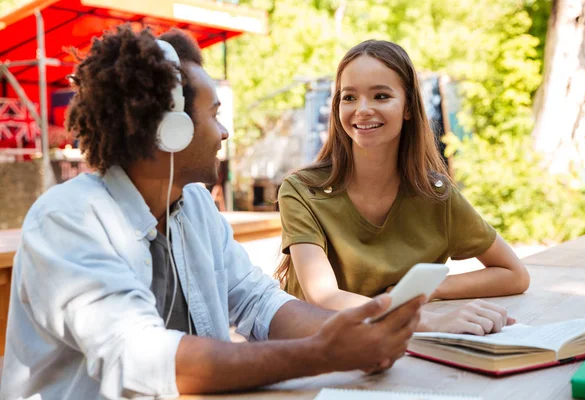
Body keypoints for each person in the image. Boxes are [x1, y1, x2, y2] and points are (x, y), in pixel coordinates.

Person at [0, 27, 424, 400]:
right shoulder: (68, 221)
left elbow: (258, 302)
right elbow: (142, 358)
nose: (225, 132)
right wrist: (322, 354)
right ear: (171, 129)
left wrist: (357, 331)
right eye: (215, 114)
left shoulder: (193, 205)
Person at [276, 40, 530, 336]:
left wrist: (429, 288)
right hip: (311, 353)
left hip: (398, 352)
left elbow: (515, 275)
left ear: (408, 106)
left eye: (381, 96)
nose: (363, 109)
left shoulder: (436, 195)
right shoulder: (302, 191)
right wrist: (426, 321)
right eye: (349, 97)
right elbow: (324, 298)